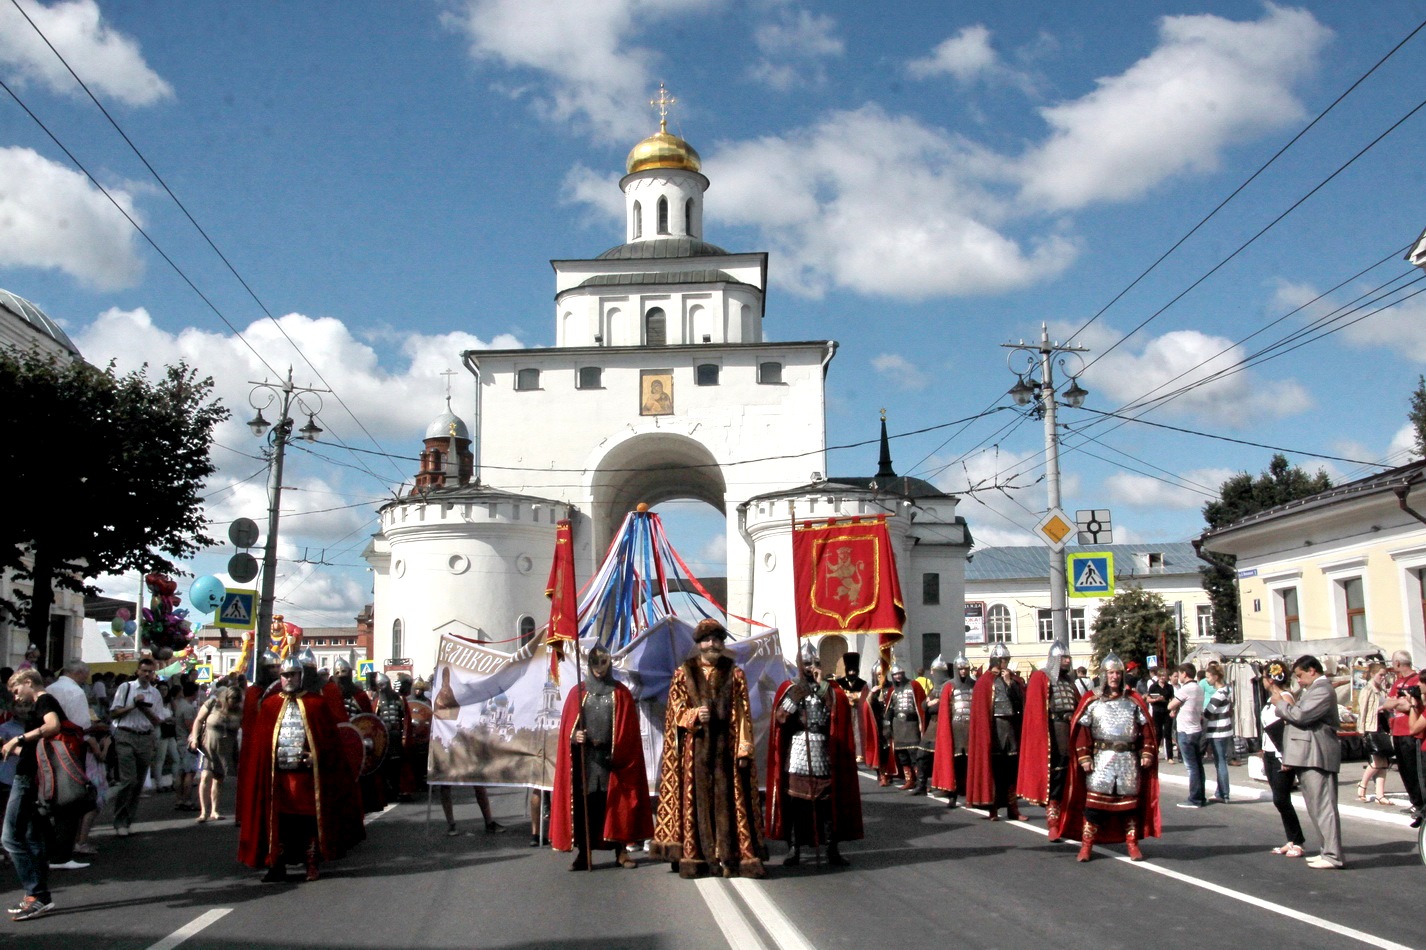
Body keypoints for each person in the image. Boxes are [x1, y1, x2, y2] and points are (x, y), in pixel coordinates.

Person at [649, 619, 767, 879]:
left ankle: (730, 857)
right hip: (696, 750)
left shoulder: (734, 673)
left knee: (730, 801)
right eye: (706, 639)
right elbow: (674, 712)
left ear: (722, 642)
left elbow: (743, 713)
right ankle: (698, 857)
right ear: (699, 644)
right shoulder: (684, 673)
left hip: (726, 748)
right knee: (695, 803)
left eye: (716, 639)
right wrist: (691, 715)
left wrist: (744, 748)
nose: (712, 644)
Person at [237, 652, 365, 882]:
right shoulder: (270, 705)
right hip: (278, 777)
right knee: (279, 821)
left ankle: (311, 863)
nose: (288, 679)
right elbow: (261, 745)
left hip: (307, 777)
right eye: (285, 675)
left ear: (301, 676)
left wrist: (316, 756)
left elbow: (330, 742)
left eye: (293, 675)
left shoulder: (316, 704)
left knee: (308, 821)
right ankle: (277, 864)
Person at [550, 645, 653, 871]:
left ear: (609, 664)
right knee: (588, 808)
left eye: (602, 663)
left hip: (612, 762)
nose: (598, 668)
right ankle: (583, 853)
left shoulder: (621, 693)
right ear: (589, 665)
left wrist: (617, 751)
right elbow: (567, 728)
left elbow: (629, 731)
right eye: (594, 664)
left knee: (615, 807)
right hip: (586, 761)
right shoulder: (578, 694)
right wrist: (574, 735)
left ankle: (621, 851)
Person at [765, 641, 862, 867]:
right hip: (798, 750)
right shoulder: (790, 687)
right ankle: (794, 849)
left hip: (823, 752)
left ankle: (831, 848)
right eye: (807, 663)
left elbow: (837, 714)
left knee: (827, 805)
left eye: (815, 663)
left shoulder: (831, 689)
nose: (811, 667)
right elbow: (780, 718)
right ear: (800, 664)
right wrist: (796, 696)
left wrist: (822, 687)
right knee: (796, 805)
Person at [1059, 653, 1159, 862]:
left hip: (1128, 760)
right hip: (1102, 759)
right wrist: (1084, 757)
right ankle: (1087, 846)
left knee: (1129, 807)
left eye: (1118, 673)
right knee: (1094, 806)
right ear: (1104, 675)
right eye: (1111, 673)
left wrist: (1147, 752)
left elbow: (1146, 729)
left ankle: (1132, 844)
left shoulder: (1132, 700)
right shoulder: (1093, 700)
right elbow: (1082, 731)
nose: (1114, 676)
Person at [1266, 655, 1343, 869]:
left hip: (1317, 754)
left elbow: (1301, 716)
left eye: (1300, 675)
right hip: (1308, 754)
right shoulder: (1313, 690)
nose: (1298, 680)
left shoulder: (1323, 689)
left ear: (1312, 670)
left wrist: (1280, 703)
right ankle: (1326, 851)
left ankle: (1332, 855)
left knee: (1324, 807)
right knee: (1315, 807)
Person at [1, 670, 62, 920]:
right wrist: (12, 748)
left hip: (27, 778)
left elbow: (53, 726)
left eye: (17, 691)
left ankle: (35, 894)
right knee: (31, 836)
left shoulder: (44, 700)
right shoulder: (42, 702)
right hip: (31, 773)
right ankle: (41, 897)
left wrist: (18, 738)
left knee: (10, 837)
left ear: (28, 683)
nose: (16, 698)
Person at [1018, 642, 1082, 839]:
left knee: (1068, 778)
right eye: (1064, 658)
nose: (1067, 661)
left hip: (1070, 733)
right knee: (1055, 778)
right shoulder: (1042, 678)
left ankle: (1067, 820)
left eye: (1068, 658)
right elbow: (1037, 710)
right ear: (1055, 659)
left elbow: (1079, 705)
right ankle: (1053, 822)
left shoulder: (1070, 681)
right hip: (1053, 733)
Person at [43, 660, 96, 868]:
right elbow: (82, 724)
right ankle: (64, 851)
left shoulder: (50, 689)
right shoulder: (76, 692)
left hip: (47, 747)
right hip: (69, 748)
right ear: (79, 674)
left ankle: (51, 846)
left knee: (50, 794)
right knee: (71, 798)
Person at [107, 658, 168, 836]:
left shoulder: (155, 694)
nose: (147, 674)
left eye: (150, 671)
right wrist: (133, 704)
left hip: (145, 737)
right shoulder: (126, 688)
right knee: (128, 779)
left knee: (138, 782)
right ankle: (119, 820)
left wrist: (143, 708)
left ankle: (128, 819)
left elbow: (157, 720)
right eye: (144, 671)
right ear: (138, 671)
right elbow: (114, 712)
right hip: (125, 734)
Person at [966, 643, 1026, 821]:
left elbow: (1020, 704)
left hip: (1011, 728)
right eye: (1004, 660)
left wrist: (1009, 684)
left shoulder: (1014, 680)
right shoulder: (984, 682)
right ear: (996, 660)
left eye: (1007, 659)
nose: (1006, 663)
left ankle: (1013, 809)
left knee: (1011, 771)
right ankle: (993, 809)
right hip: (994, 730)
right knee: (996, 771)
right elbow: (982, 712)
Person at [1258, 661, 1306, 858]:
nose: (1262, 681)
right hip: (1270, 753)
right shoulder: (1272, 699)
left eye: (1263, 677)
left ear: (1270, 679)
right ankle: (1291, 840)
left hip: (1282, 755)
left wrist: (1288, 755)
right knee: (1280, 800)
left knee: (1281, 799)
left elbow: (1291, 726)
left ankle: (1298, 841)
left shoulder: (1285, 697)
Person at [191, 680, 241, 822]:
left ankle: (215, 810)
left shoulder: (239, 710)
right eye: (232, 700)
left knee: (219, 780)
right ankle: (203, 812)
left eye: (237, 700)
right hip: (209, 746)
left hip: (226, 748)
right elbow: (198, 720)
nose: (233, 703)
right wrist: (194, 738)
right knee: (205, 777)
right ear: (226, 697)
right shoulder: (213, 704)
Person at [931, 653, 975, 808]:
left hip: (970, 728)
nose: (963, 671)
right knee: (954, 764)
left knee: (970, 765)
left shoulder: (974, 685)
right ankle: (953, 795)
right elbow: (945, 710)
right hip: (955, 728)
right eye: (960, 669)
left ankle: (970, 796)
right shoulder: (949, 686)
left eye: (965, 668)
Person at [1384, 651, 1422, 825]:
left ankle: (1420, 804)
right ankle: (1415, 803)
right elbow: (1387, 703)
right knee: (1405, 770)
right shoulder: (1398, 682)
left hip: (1411, 732)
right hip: (1397, 732)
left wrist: (1400, 703)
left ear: (1398, 663)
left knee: (1416, 771)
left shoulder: (1416, 679)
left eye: (1394, 664)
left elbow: (1413, 705)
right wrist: (1399, 703)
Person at [880, 664, 927, 792]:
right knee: (902, 755)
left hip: (912, 725)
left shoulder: (914, 685)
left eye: (899, 674)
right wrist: (887, 724)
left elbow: (921, 704)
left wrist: (921, 723)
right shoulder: (892, 690)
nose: (898, 676)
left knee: (915, 755)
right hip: (898, 725)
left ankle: (920, 781)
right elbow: (889, 709)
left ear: (903, 673)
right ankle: (909, 780)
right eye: (895, 674)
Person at [1167, 663, 1207, 809]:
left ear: (1184, 674)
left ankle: (1195, 798)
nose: (1179, 677)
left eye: (1180, 673)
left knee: (1191, 767)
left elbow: (1170, 705)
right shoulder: (1198, 688)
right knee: (1197, 765)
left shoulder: (1186, 689)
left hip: (1186, 731)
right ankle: (1201, 796)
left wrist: (1175, 707)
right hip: (1196, 728)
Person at [1355, 661, 1392, 805]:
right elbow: (1363, 711)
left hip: (1382, 726)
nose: (1383, 678)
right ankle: (1362, 784)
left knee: (1384, 762)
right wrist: (1361, 729)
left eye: (1384, 675)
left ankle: (1380, 795)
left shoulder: (1382, 690)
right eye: (1380, 675)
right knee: (1376, 762)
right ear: (1372, 674)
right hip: (1372, 726)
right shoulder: (1367, 690)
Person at [913, 656, 950, 796]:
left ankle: (943, 786)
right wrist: (929, 704)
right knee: (922, 755)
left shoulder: (948, 685)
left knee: (941, 758)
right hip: (932, 727)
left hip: (943, 726)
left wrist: (933, 704)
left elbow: (944, 706)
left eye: (934, 671)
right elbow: (924, 705)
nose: (932, 673)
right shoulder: (936, 688)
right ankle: (921, 785)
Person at [371, 674, 411, 802]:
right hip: (383, 737)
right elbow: (374, 720)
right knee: (385, 765)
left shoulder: (399, 698)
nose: (382, 688)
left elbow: (405, 718)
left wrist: (404, 735)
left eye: (383, 685)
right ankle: (387, 791)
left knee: (397, 765)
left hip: (396, 736)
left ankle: (398, 789)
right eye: (380, 685)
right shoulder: (376, 701)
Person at [1202, 661, 1233, 803]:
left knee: (1220, 762)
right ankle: (1220, 791)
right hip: (1226, 729)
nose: (1207, 680)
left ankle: (1223, 793)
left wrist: (1206, 714)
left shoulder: (1218, 694)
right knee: (1221, 761)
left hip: (1217, 731)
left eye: (1208, 677)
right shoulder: (1227, 690)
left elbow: (1207, 712)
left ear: (1215, 677)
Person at [832, 653, 869, 763]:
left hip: (858, 711)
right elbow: (837, 695)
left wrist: (853, 697)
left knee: (858, 731)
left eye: (854, 671)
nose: (852, 673)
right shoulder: (839, 682)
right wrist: (850, 696)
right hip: (844, 710)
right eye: (850, 671)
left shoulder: (862, 683)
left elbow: (863, 696)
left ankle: (859, 753)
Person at [1143, 667, 1175, 762]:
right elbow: (1148, 699)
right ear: (1158, 676)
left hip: (1166, 711)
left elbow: (1172, 699)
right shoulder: (1153, 686)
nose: (1162, 678)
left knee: (1168, 734)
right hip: (1157, 711)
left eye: (1164, 676)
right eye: (1160, 676)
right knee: (1158, 734)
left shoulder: (1169, 687)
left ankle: (1170, 757)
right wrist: (1156, 700)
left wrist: (1173, 709)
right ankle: (1155, 754)